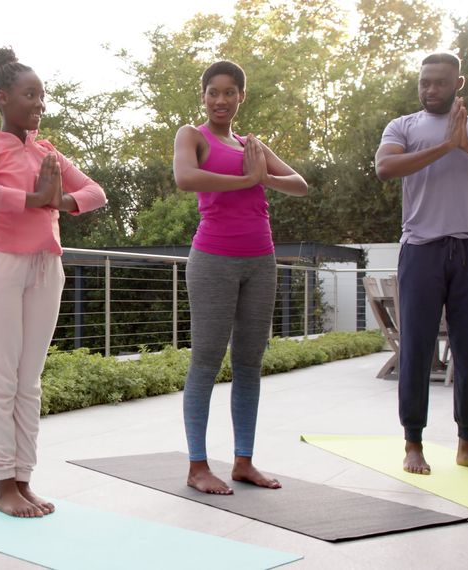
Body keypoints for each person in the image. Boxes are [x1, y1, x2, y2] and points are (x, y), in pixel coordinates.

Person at [0, 47, 107, 517]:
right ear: (3, 98)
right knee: (1, 380)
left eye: (42, 96)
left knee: (30, 381)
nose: (39, 103)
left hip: (46, 267)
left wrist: (58, 201)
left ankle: (24, 479)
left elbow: (95, 192)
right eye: (29, 95)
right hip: (0, 264)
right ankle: (2, 483)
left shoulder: (47, 151)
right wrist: (31, 197)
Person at [375, 52, 468, 476]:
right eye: (425, 81)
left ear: (458, 83)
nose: (430, 89)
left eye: (440, 82)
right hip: (422, 249)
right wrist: (447, 146)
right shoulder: (402, 126)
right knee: (417, 349)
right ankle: (413, 444)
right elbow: (385, 167)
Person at [172, 60, 308, 495]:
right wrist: (247, 180)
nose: (221, 100)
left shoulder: (252, 145)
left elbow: (300, 185)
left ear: (241, 97)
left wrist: (260, 175)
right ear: (204, 95)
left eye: (230, 92)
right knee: (207, 361)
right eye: (214, 91)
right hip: (213, 258)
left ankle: (243, 461)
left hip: (260, 260)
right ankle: (197, 466)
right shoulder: (192, 136)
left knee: (250, 363)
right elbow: (185, 177)